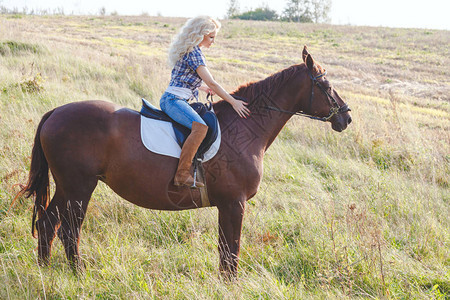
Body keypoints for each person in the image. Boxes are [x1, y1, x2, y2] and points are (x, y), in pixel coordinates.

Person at [160, 16, 250, 188]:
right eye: (211, 37)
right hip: (173, 100)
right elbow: (213, 83)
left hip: (176, 98)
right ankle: (182, 174)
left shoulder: (190, 50)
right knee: (200, 128)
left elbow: (183, 79)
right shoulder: (194, 53)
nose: (213, 41)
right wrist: (233, 102)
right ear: (200, 34)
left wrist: (202, 88)